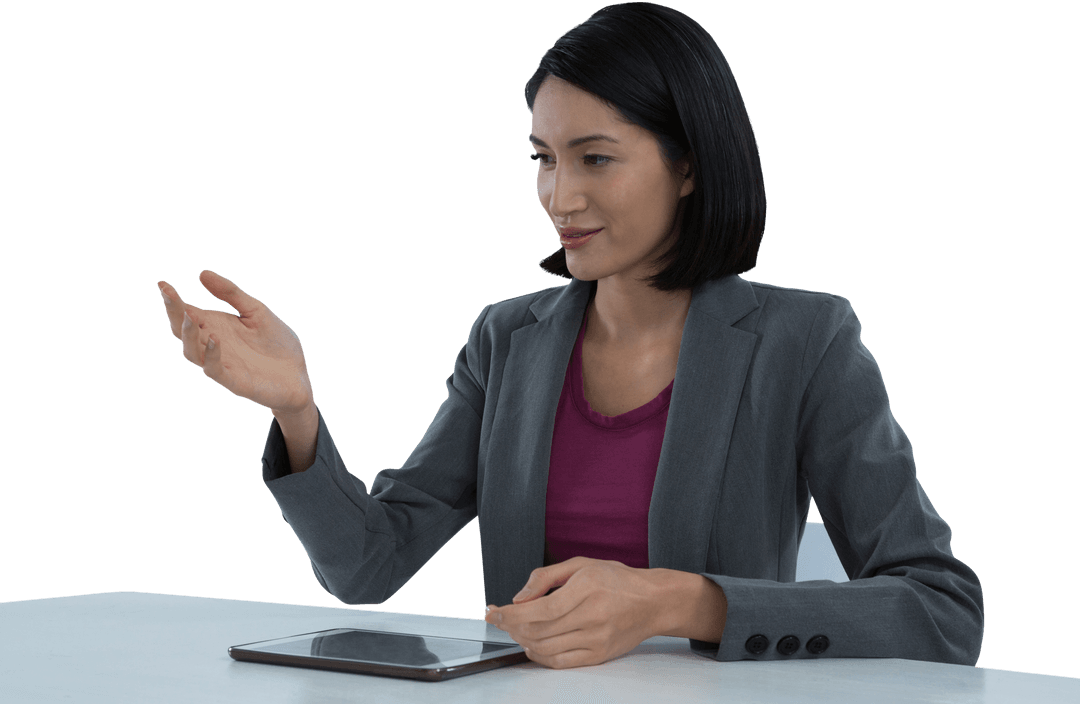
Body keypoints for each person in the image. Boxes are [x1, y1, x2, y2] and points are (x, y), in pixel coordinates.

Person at [157, 2, 983, 671]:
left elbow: (942, 610)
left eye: (595, 159)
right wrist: (297, 408)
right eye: (542, 160)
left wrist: (676, 600)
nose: (559, 196)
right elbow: (372, 564)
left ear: (688, 164)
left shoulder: (803, 341)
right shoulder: (505, 339)